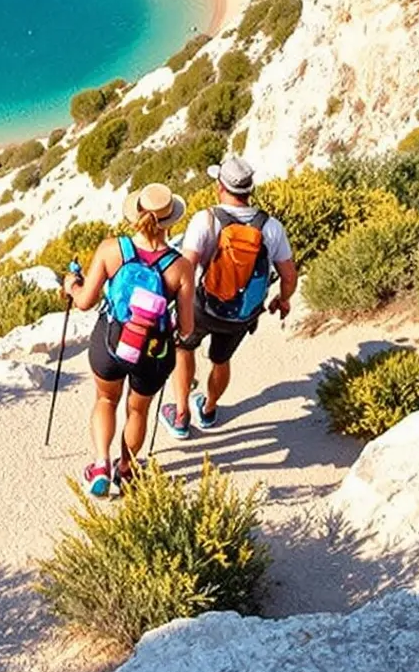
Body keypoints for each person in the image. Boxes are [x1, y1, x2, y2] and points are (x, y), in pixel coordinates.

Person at [62, 182, 195, 497]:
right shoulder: (181, 266)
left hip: (110, 342)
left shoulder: (112, 249)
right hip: (153, 350)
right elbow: (187, 329)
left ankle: (100, 466)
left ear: (136, 215)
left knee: (106, 399)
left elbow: (84, 301)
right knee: (138, 411)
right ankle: (127, 470)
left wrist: (71, 285)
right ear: (169, 221)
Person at [162, 154, 298, 440]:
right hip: (241, 314)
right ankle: (209, 409)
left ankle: (182, 414)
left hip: (203, 306)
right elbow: (289, 276)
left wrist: (173, 300)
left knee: (183, 348)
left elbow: (187, 267)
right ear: (249, 190)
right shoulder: (270, 227)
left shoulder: (206, 219)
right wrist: (282, 300)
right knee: (221, 360)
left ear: (220, 188)